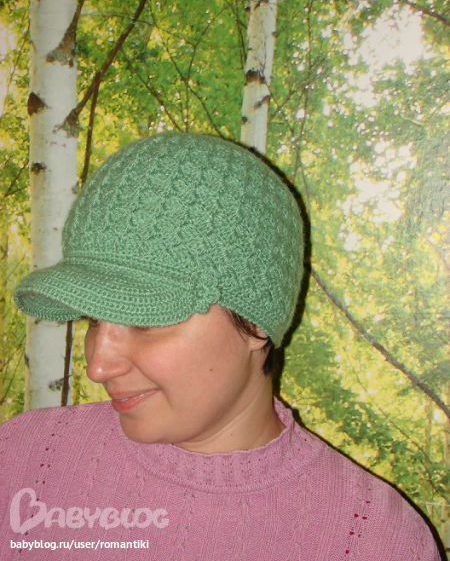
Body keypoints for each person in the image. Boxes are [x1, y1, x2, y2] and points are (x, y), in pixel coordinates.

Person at [0, 133, 442, 560]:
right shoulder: (23, 458)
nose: (97, 365)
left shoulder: (373, 541)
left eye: (144, 320)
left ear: (255, 324)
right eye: (93, 319)